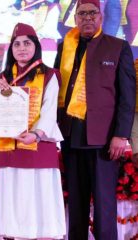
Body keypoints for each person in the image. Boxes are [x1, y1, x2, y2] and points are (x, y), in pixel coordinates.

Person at [54, 0, 136, 238]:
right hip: (70, 138)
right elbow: (55, 90)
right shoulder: (64, 48)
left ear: (101, 17)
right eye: (82, 14)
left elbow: (127, 97)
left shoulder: (118, 47)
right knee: (76, 207)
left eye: (92, 13)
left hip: (104, 141)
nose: (87, 18)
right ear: (76, 18)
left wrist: (121, 135)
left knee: (104, 207)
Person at [0, 23, 66, 240]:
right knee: (14, 205)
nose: (22, 48)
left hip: (39, 148)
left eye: (27, 43)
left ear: (36, 46)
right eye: (16, 44)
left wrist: (35, 134)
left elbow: (49, 110)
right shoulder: (3, 78)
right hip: (10, 148)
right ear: (11, 49)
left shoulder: (50, 75)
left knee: (40, 205)